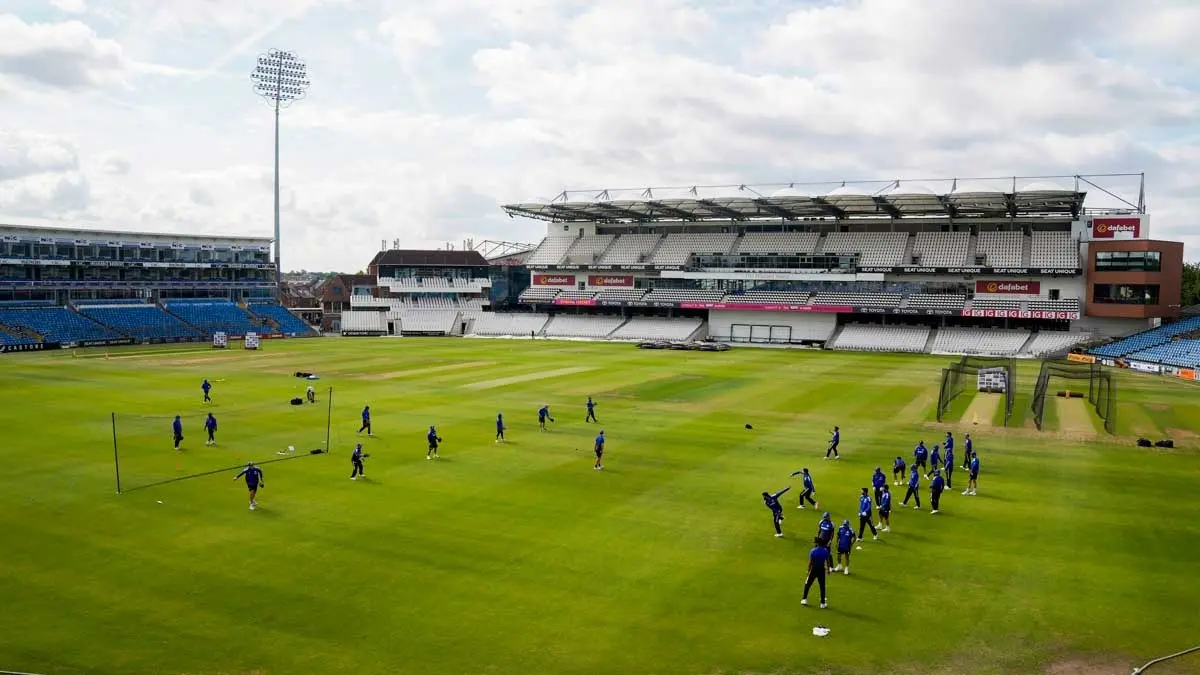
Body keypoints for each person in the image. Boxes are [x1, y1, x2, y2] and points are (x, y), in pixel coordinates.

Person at [802, 537, 832, 608]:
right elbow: (827, 561)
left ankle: (804, 599)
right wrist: (828, 570)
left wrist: (808, 570)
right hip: (821, 569)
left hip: (814, 569)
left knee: (808, 584)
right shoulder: (825, 551)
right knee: (822, 586)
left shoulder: (813, 551)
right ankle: (822, 603)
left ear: (817, 543)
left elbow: (810, 562)